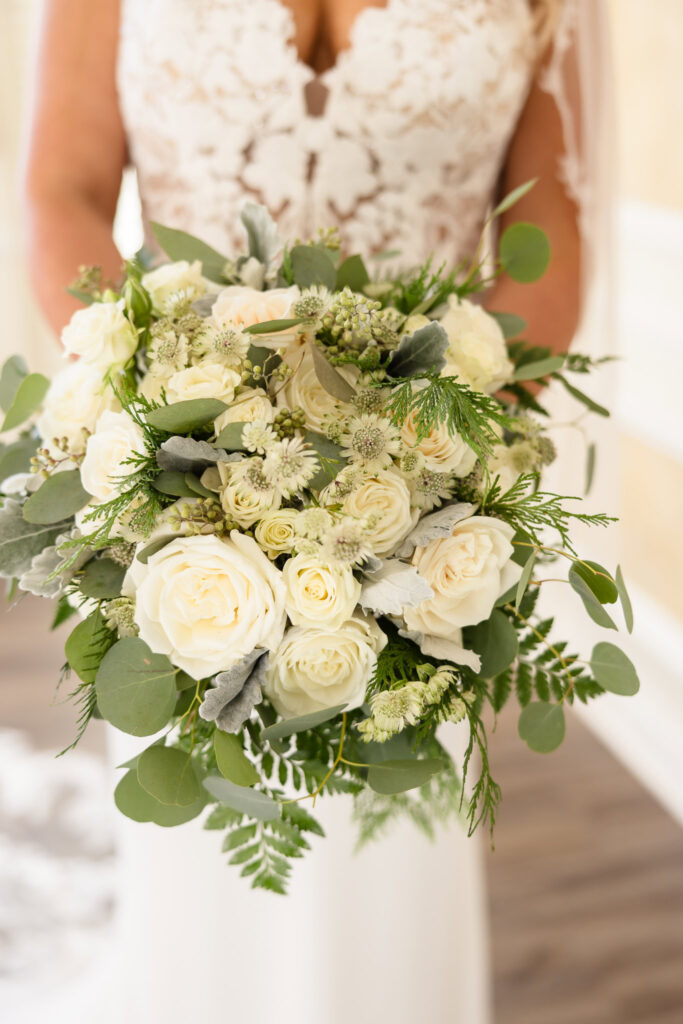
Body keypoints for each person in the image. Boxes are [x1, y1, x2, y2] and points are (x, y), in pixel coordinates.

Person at [22, 2, 608, 1021]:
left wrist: (444, 460)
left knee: (393, 846)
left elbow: (548, 221)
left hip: (424, 495)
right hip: (183, 488)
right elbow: (60, 189)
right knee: (199, 841)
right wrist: (168, 416)